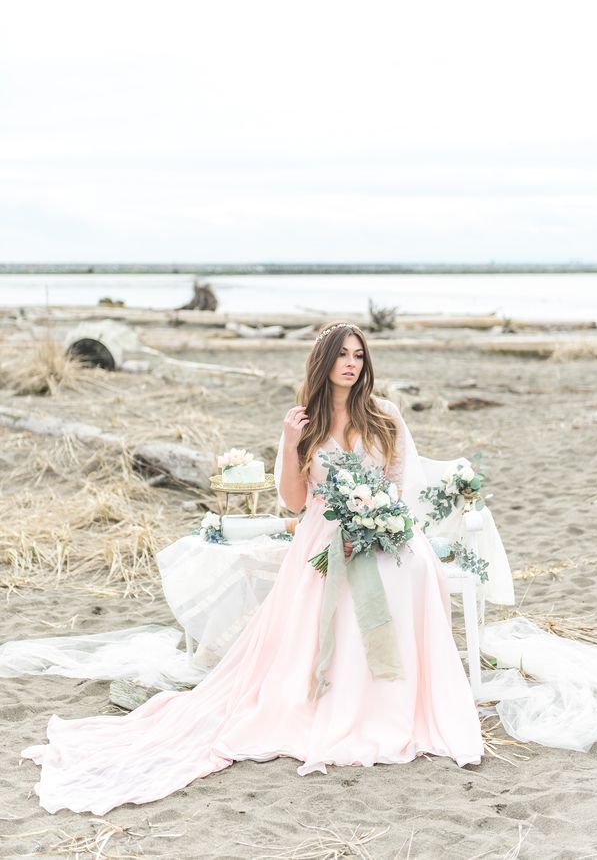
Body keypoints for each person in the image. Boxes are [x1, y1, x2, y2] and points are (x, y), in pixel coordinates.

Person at [22, 321, 484, 816]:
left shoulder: (383, 415)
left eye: (358, 355)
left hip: (384, 525)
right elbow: (293, 499)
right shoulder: (304, 420)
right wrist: (289, 443)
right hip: (324, 531)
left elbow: (398, 483)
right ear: (324, 361)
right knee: (339, 586)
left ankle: (390, 700)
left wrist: (378, 518)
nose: (351, 363)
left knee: (407, 572)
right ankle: (333, 698)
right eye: (342, 355)